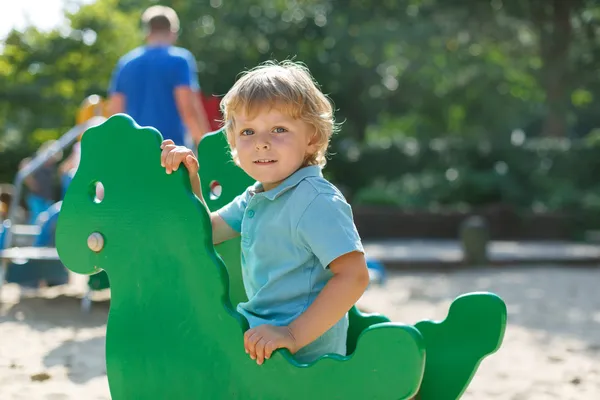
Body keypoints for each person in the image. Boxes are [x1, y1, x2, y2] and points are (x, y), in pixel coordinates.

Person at [160, 61, 370, 365]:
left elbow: (353, 277)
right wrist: (189, 178)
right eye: (248, 131)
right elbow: (205, 231)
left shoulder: (315, 200)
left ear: (311, 136)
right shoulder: (258, 195)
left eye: (279, 129)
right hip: (260, 336)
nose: (261, 143)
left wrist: (293, 334)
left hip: (306, 356)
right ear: (232, 142)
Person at [107, 5, 211, 147]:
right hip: (171, 152)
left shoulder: (126, 63)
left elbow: (115, 113)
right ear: (173, 31)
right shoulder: (179, 60)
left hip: (135, 149)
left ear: (147, 32)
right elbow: (188, 110)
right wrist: (206, 147)